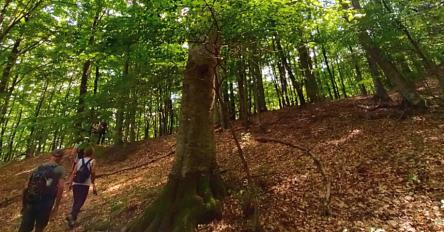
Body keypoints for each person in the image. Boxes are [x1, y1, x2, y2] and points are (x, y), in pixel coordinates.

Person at [19, 149, 65, 232]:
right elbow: (61, 188)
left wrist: (24, 205)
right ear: (61, 158)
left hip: (31, 201)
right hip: (46, 203)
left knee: (24, 228)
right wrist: (56, 206)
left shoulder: (39, 167)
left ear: (51, 156)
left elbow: (26, 187)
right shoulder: (60, 169)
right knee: (39, 228)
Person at [66, 144, 97, 228]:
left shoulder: (79, 160)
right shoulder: (93, 161)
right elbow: (93, 173)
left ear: (85, 153)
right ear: (92, 153)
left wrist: (70, 182)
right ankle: (72, 216)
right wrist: (93, 183)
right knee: (81, 201)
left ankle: (72, 220)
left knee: (76, 201)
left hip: (76, 183)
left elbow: (74, 172)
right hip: (85, 184)